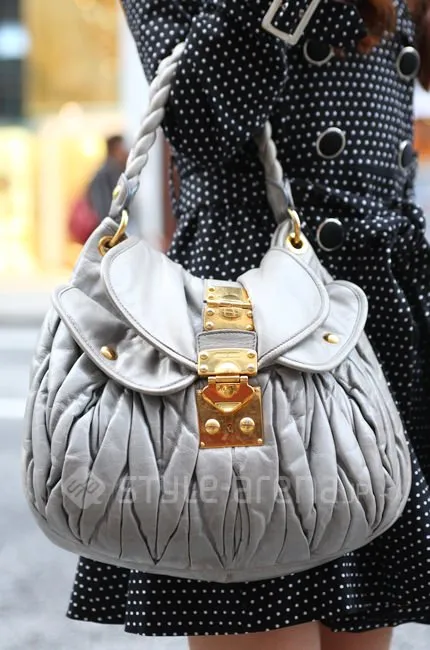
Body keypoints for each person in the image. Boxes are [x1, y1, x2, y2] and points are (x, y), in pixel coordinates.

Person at [67, 0, 430, 648]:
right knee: (248, 568)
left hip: (372, 305)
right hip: (239, 324)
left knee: (363, 612)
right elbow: (198, 126)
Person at [87, 134, 129, 222]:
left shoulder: (118, 171)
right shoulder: (105, 175)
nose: (125, 153)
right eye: (121, 149)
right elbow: (103, 208)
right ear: (113, 151)